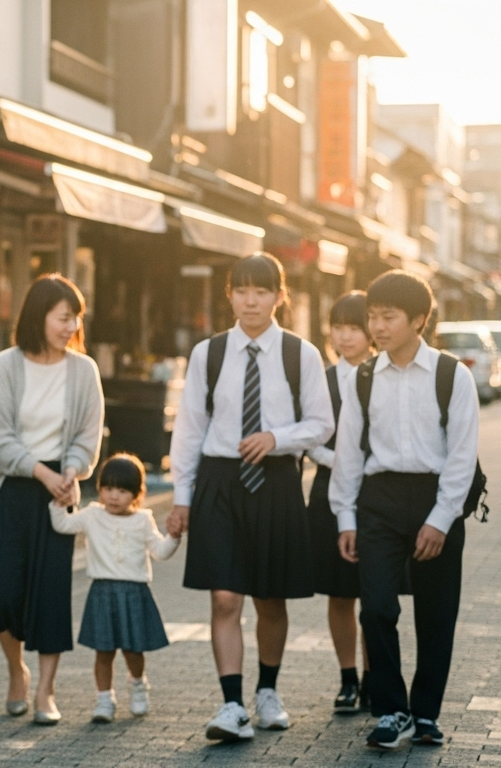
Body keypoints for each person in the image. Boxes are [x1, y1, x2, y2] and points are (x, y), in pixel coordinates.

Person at [166, 253, 334, 742]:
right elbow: (189, 429)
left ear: (279, 296)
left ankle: (268, 692)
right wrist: (181, 497)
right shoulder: (209, 353)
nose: (251, 301)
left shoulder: (300, 354)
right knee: (224, 596)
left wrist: (277, 438)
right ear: (230, 295)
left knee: (271, 599)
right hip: (219, 481)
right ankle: (232, 705)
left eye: (261, 291)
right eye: (241, 290)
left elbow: (323, 424)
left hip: (276, 481)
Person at [329, 270, 479, 749]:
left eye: (387, 316)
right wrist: (345, 517)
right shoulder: (362, 378)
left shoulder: (452, 375)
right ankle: (392, 709)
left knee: (436, 613)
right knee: (376, 607)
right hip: (379, 501)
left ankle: (426, 713)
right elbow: (348, 453)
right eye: (372, 316)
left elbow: (462, 455)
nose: (377, 326)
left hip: (438, 497)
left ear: (418, 320)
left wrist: (441, 519)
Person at [0, 274, 104, 723]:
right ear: (38, 316)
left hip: (58, 493)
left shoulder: (84, 370)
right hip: (8, 490)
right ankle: (16, 671)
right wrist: (43, 473)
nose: (71, 326)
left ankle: (46, 690)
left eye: (76, 317)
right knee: (1, 593)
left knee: (50, 594)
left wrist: (71, 471)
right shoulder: (5, 365)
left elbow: (87, 437)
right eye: (63, 317)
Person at [48, 453, 179, 723]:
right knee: (103, 651)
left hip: (135, 593)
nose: (114, 496)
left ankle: (138, 685)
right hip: (102, 593)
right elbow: (63, 524)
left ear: (136, 494)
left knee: (134, 650)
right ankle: (104, 699)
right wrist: (58, 504)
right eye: (108, 488)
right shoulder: (92, 515)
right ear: (100, 489)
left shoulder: (143, 520)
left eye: (122, 490)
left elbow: (160, 551)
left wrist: (174, 536)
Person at [306, 291, 375, 713]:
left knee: (376, 593)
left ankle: (374, 677)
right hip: (328, 491)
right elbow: (310, 438)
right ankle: (348, 679)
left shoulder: (384, 375)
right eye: (338, 327)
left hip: (376, 494)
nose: (345, 336)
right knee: (339, 592)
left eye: (354, 328)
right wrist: (343, 462)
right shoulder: (321, 380)